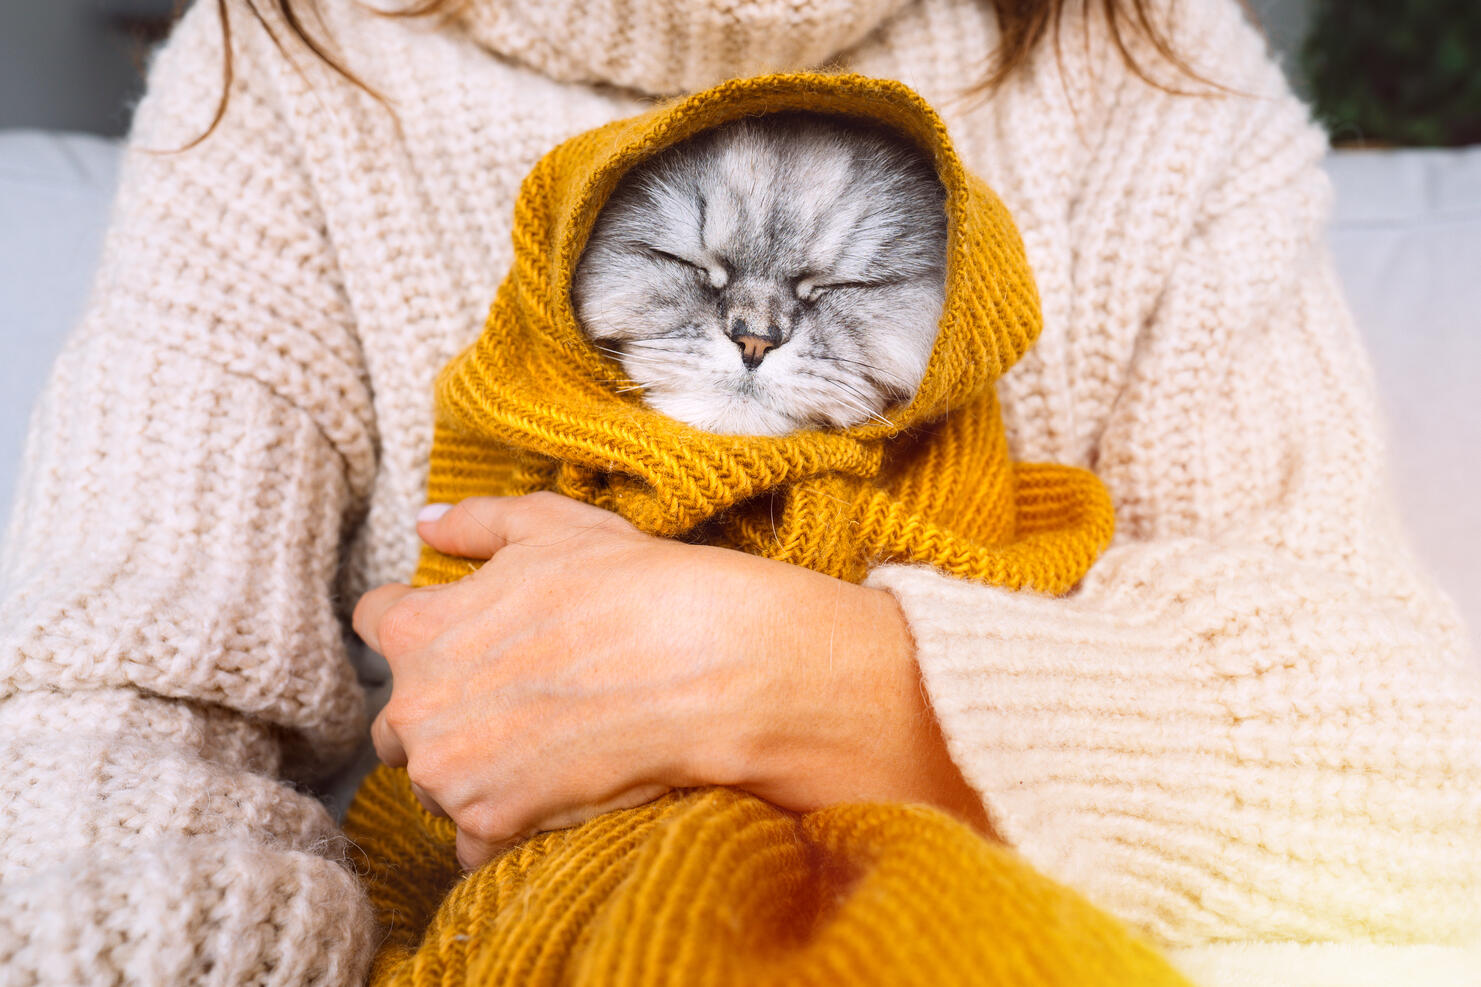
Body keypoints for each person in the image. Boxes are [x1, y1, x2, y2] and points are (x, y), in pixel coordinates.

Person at [1, 0, 1477, 984]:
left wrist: (818, 681)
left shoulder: (1146, 62)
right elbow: (102, 724)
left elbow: (1413, 773)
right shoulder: (289, 61)